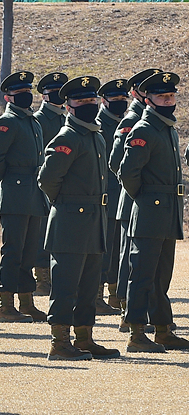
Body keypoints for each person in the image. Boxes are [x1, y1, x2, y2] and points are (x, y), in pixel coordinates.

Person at [38, 75, 119, 360]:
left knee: (88, 285)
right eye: (81, 101)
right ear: (68, 105)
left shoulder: (95, 134)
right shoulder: (67, 137)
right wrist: (66, 203)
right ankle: (59, 343)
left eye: (91, 100)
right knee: (66, 285)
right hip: (71, 221)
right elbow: (47, 179)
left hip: (94, 219)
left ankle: (84, 338)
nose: (88, 104)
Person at [118, 71, 189, 353]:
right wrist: (145, 199)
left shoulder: (166, 127)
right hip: (150, 211)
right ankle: (136, 333)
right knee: (143, 275)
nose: (169, 100)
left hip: (167, 212)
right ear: (148, 100)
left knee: (161, 276)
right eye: (162, 96)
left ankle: (163, 329)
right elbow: (127, 172)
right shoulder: (144, 129)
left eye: (171, 96)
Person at [0, 71, 49, 323]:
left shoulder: (32, 121)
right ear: (8, 97)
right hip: (15, 193)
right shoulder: (7, 121)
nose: (25, 96)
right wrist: (9, 179)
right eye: (19, 93)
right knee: (13, 252)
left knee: (29, 252)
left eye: (27, 92)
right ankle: (6, 305)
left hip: (33, 192)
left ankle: (26, 302)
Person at [109, 68, 161, 332]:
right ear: (136, 92)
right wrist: (140, 190)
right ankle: (126, 313)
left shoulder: (155, 119)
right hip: (134, 199)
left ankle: (143, 313)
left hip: (148, 203)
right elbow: (117, 163)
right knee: (130, 260)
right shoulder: (132, 120)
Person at [94, 79, 129, 315]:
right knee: (102, 249)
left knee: (118, 249)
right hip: (104, 196)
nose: (120, 103)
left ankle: (115, 294)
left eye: (122, 99)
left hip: (121, 195)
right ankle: (95, 295)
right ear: (104, 101)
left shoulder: (125, 124)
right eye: (115, 100)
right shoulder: (97, 125)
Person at [32, 72, 68, 295]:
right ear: (44, 96)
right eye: (53, 93)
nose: (58, 97)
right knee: (41, 234)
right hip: (43, 184)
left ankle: (55, 275)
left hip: (66, 185)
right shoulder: (38, 120)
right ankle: (42, 279)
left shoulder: (65, 118)